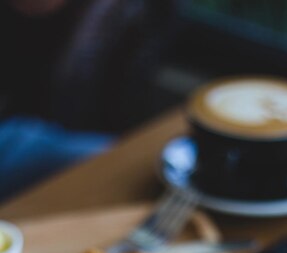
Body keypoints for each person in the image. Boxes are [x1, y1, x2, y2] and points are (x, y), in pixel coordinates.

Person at [0, 0, 180, 201]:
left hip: (57, 139)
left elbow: (126, 115)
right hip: (18, 137)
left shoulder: (130, 15)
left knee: (136, 169)